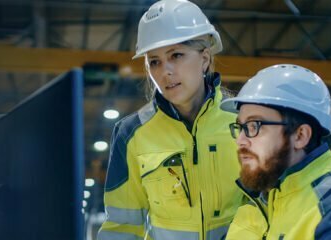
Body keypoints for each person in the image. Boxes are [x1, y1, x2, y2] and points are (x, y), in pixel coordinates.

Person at [97, 0, 245, 239]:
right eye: (154, 61)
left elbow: (269, 206)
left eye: (176, 55)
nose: (165, 71)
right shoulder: (131, 133)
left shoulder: (245, 121)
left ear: (205, 59)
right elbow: (122, 228)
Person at [219, 64, 331, 239]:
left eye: (254, 126)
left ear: (300, 136)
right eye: (240, 127)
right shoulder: (250, 213)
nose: (241, 140)